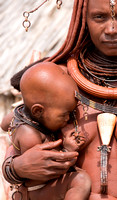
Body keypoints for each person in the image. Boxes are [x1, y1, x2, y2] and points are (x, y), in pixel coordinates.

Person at [2, 0, 117, 199]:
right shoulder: (55, 82)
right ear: (83, 20)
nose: (112, 29)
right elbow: (18, 137)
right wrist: (18, 168)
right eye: (99, 17)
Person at [3, 61, 91, 200]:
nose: (68, 118)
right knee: (81, 181)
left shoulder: (22, 115)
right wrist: (67, 151)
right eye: (64, 114)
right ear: (38, 110)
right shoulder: (29, 134)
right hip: (38, 190)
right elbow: (40, 171)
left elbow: (4, 123)